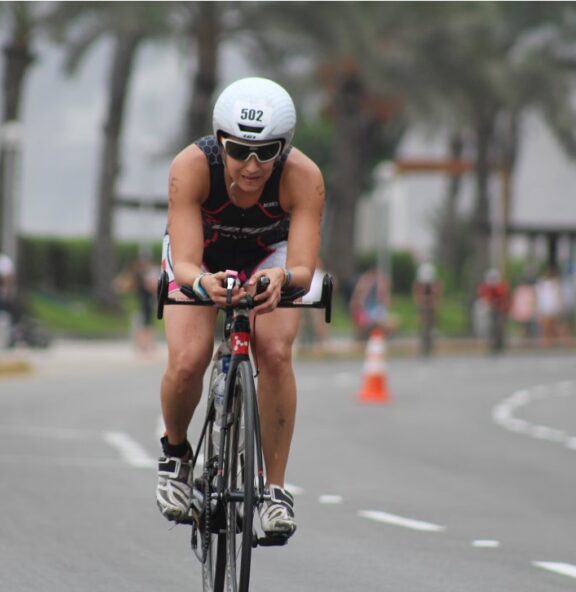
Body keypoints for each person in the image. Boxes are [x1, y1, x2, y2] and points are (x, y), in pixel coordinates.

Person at [156, 77, 324, 540]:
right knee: (188, 358)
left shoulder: (303, 176)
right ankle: (176, 456)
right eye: (239, 151)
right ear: (219, 141)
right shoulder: (191, 167)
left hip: (271, 258)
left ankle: (275, 492)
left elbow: (303, 267)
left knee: (275, 353)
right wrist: (201, 283)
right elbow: (185, 263)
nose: (251, 166)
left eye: (266, 153)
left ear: (283, 149)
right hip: (202, 258)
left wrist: (282, 278)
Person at [113, 253, 159, 354]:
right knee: (144, 324)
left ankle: (145, 345)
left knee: (144, 324)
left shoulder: (141, 275)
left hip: (144, 303)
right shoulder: (140, 275)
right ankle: (145, 345)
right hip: (142, 303)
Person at [349, 266, 392, 341]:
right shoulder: (364, 285)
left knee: (388, 323)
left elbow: (385, 301)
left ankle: (376, 337)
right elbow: (357, 303)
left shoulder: (377, 290)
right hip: (365, 314)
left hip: (373, 313)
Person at [477, 268, 510, 353]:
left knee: (500, 326)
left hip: (500, 309)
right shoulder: (485, 287)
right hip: (491, 309)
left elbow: (503, 297)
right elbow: (484, 297)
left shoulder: (502, 286)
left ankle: (500, 344)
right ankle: (492, 344)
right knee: (491, 327)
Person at [412, 262, 441, 356]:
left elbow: (436, 296)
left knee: (432, 323)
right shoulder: (418, 285)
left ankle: (431, 343)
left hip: (431, 306)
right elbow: (417, 297)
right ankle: (423, 345)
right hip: (423, 306)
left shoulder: (435, 284)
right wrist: (421, 300)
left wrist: (433, 302)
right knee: (422, 323)